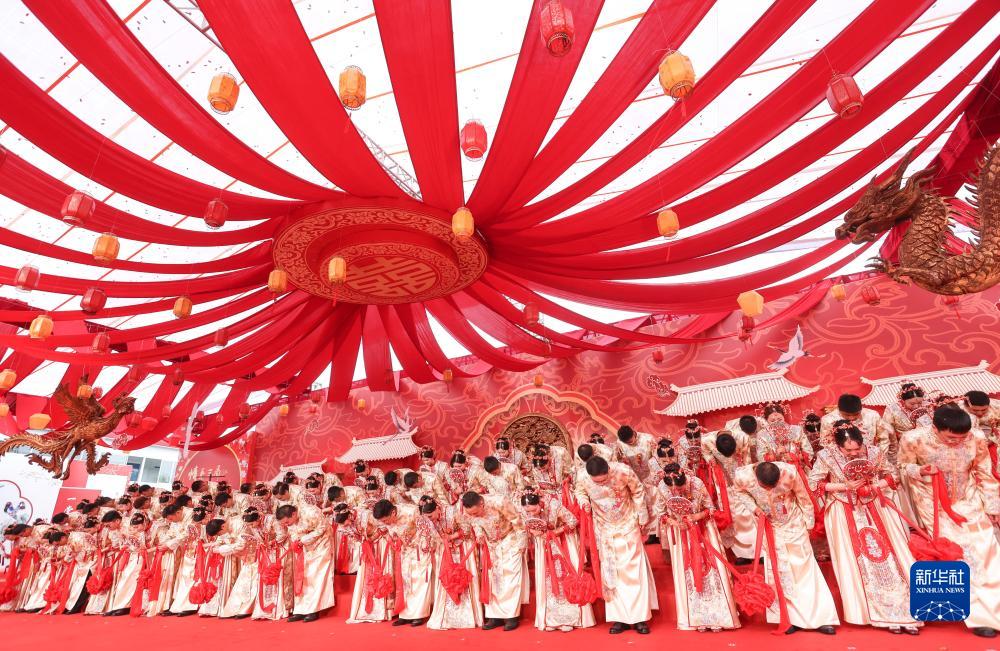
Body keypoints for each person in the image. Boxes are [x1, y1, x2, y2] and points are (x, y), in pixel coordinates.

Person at [808, 423, 920, 634]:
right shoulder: (826, 456)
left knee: (891, 556)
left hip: (876, 507)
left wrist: (875, 486)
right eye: (848, 450)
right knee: (858, 561)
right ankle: (873, 613)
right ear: (838, 445)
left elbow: (893, 475)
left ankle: (907, 611)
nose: (854, 453)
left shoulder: (875, 452)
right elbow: (814, 483)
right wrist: (844, 486)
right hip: (843, 510)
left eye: (857, 448)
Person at [899, 404, 1000, 638]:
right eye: (951, 438)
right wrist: (919, 470)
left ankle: (993, 609)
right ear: (935, 428)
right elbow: (902, 467)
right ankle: (977, 616)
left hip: (968, 498)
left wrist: (993, 505)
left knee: (986, 547)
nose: (957, 442)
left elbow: (984, 471)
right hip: (931, 501)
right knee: (959, 552)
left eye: (962, 438)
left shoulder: (976, 437)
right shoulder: (913, 439)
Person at [733, 461, 839, 635]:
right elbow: (739, 493)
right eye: (765, 487)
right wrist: (755, 508)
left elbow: (804, 498)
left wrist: (808, 525)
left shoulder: (789, 473)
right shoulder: (742, 476)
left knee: (805, 568)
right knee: (781, 573)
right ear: (757, 479)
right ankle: (789, 618)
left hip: (793, 523)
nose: (769, 490)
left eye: (773, 486)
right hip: (769, 527)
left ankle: (820, 618)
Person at [573, 456, 657, 635]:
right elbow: (579, 491)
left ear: (608, 471)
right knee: (611, 573)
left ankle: (640, 618)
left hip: (628, 524)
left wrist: (641, 516)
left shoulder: (623, 471)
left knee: (633, 572)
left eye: (603, 480)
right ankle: (619, 618)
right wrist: (584, 502)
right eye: (597, 482)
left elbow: (638, 491)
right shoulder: (582, 476)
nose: (601, 484)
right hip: (604, 528)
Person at [653, 469, 740, 632]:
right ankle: (696, 617)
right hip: (681, 533)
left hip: (703, 530)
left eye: (680, 488)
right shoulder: (662, 488)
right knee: (689, 573)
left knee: (711, 571)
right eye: (673, 489)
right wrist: (674, 522)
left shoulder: (697, 484)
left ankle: (719, 617)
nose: (677, 492)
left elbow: (711, 508)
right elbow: (660, 513)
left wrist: (696, 517)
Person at [519, 491, 595, 631]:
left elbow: (573, 521)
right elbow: (526, 526)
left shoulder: (554, 505)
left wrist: (554, 532)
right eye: (528, 511)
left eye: (534, 510)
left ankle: (570, 619)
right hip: (543, 545)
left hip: (561, 544)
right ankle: (551, 619)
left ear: (539, 503)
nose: (531, 513)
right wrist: (534, 532)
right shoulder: (526, 510)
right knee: (547, 580)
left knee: (563, 577)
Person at [457, 491, 526, 631]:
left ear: (481, 503)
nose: (473, 516)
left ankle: (511, 616)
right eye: (470, 514)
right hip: (491, 544)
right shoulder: (468, 510)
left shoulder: (499, 501)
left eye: (475, 513)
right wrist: (479, 534)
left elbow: (517, 520)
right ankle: (494, 616)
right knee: (493, 579)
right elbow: (474, 523)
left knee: (510, 577)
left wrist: (522, 543)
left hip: (510, 540)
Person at [418, 498, 482, 630]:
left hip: (462, 546)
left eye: (431, 516)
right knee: (447, 579)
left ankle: (468, 618)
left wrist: (451, 537)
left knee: (463, 578)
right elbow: (434, 535)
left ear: (437, 509)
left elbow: (467, 529)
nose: (430, 519)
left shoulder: (453, 511)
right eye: (427, 517)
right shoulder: (429, 520)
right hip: (446, 550)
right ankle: (445, 618)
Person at [370, 499, 433, 627]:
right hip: (403, 551)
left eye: (386, 520)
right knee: (404, 582)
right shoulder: (386, 520)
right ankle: (405, 615)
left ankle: (418, 615)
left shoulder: (412, 511)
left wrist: (424, 546)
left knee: (419, 581)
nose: (385, 523)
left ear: (393, 513)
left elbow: (426, 530)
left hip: (419, 550)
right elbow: (388, 532)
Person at [276, 503, 336, 622]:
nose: (287, 525)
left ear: (294, 514)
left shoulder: (311, 512)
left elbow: (322, 528)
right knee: (304, 577)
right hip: (305, 547)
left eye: (287, 522)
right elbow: (293, 532)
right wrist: (296, 541)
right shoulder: (291, 521)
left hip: (322, 545)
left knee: (317, 577)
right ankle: (301, 610)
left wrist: (303, 539)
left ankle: (313, 610)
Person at [821, 394, 892, 453]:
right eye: (847, 415)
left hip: (871, 456)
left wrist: (879, 456)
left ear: (861, 409)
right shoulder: (828, 420)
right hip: (843, 459)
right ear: (839, 410)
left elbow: (884, 438)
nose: (852, 418)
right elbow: (827, 444)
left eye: (856, 414)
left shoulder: (872, 415)